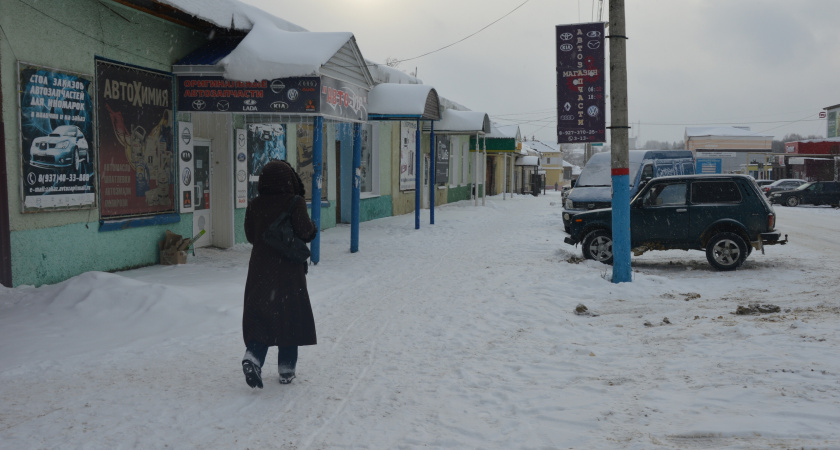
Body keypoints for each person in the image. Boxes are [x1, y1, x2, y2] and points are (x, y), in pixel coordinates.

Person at [241, 160, 318, 388]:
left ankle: (253, 357)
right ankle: (286, 369)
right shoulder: (295, 202)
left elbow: (249, 235)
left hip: (260, 270)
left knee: (260, 316)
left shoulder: (255, 205)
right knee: (289, 316)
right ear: (289, 180)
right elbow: (305, 231)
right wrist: (311, 227)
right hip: (288, 272)